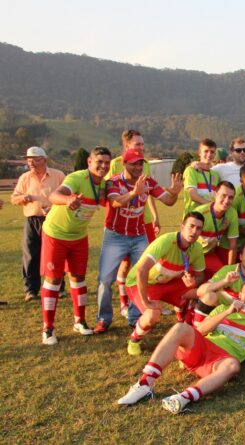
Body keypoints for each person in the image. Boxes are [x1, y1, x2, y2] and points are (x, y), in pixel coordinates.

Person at [117, 278, 245, 414]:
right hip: (202, 347)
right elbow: (202, 330)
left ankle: (183, 398)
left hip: (220, 361)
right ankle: (145, 384)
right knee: (180, 328)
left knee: (233, 366)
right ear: (240, 294)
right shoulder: (223, 308)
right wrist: (229, 311)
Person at [93, 148, 182, 334]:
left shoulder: (147, 181)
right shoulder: (114, 182)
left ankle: (135, 317)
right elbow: (115, 202)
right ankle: (103, 319)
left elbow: (167, 201)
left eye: (140, 163)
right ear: (124, 164)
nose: (138, 167)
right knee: (105, 279)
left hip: (138, 235)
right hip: (115, 235)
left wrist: (173, 192)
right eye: (133, 163)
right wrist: (134, 193)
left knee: (140, 275)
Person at [38, 146, 111, 345]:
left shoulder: (103, 185)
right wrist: (68, 199)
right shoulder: (78, 178)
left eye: (106, 163)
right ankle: (48, 328)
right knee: (54, 279)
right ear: (89, 162)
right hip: (56, 234)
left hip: (79, 237)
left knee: (78, 277)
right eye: (99, 162)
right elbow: (54, 196)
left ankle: (79, 321)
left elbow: (112, 202)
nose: (103, 166)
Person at [124, 212, 206, 356]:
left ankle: (183, 325)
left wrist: (194, 282)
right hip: (143, 282)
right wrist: (146, 302)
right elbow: (141, 270)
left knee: (201, 292)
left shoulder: (197, 248)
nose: (194, 231)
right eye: (191, 226)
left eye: (198, 228)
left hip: (168, 283)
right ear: (182, 227)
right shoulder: (166, 241)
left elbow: (201, 276)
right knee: (152, 315)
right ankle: (134, 340)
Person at [11, 146, 65, 302]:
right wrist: (24, 198)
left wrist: (54, 207)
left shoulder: (58, 175)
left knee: (55, 255)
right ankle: (31, 290)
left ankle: (59, 288)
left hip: (54, 219)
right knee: (31, 255)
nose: (31, 162)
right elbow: (14, 198)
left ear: (44, 159)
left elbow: (68, 195)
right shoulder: (25, 178)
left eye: (35, 159)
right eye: (28, 159)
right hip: (32, 220)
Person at [194, 239, 245, 327]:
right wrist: (225, 281)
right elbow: (200, 291)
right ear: (241, 257)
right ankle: (197, 328)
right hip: (223, 310)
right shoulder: (227, 270)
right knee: (209, 296)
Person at [195, 181, 239, 277]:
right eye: (223, 195)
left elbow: (233, 245)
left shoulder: (232, 213)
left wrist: (230, 269)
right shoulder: (200, 212)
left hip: (209, 255)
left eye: (230, 197)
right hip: (192, 256)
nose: (227, 200)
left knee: (222, 277)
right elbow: (186, 240)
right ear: (215, 194)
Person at [183, 138, 221, 215]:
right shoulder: (191, 170)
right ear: (199, 153)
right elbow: (192, 195)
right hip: (193, 218)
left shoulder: (216, 174)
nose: (209, 154)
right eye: (206, 151)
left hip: (210, 218)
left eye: (212, 152)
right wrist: (212, 206)